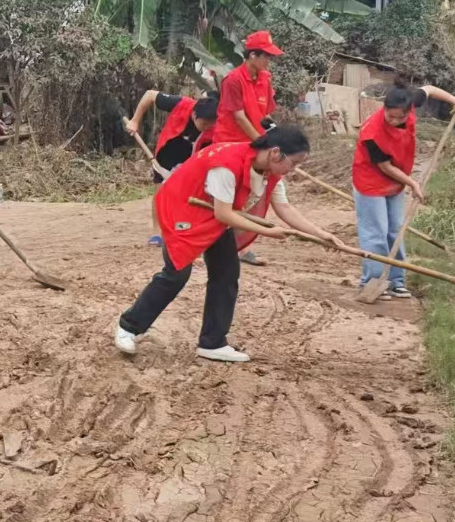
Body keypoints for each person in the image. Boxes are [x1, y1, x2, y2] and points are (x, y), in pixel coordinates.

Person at [114, 125, 345, 362]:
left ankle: (212, 343)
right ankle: (129, 327)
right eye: (293, 163)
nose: (293, 169)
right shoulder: (226, 163)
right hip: (182, 209)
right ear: (276, 153)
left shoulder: (271, 172)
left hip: (212, 213)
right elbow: (224, 214)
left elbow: (284, 208)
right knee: (176, 274)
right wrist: (268, 231)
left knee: (226, 272)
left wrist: (322, 234)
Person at [352, 80, 455, 300]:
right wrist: (414, 183)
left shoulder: (410, 100)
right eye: (390, 116)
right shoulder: (372, 132)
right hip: (370, 181)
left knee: (396, 230)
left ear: (409, 110)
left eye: (400, 117)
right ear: (383, 109)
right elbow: (384, 166)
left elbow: (430, 89)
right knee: (376, 233)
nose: (394, 121)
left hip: (395, 182)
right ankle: (373, 281)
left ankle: (396, 281)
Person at [212, 30, 283, 264]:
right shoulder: (233, 80)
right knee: (228, 196)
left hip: (254, 143)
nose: (268, 61)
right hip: (230, 145)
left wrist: (276, 135)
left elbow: (266, 114)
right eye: (266, 56)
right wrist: (261, 144)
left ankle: (239, 244)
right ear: (252, 55)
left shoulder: (266, 78)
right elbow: (240, 117)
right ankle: (224, 244)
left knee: (247, 195)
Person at [125, 90, 218, 247]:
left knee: (191, 194)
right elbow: (149, 95)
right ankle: (157, 232)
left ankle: (188, 230)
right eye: (204, 124)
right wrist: (135, 121)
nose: (207, 128)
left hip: (194, 156)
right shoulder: (181, 104)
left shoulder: (215, 125)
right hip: (168, 152)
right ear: (194, 115)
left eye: (211, 125)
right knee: (161, 191)